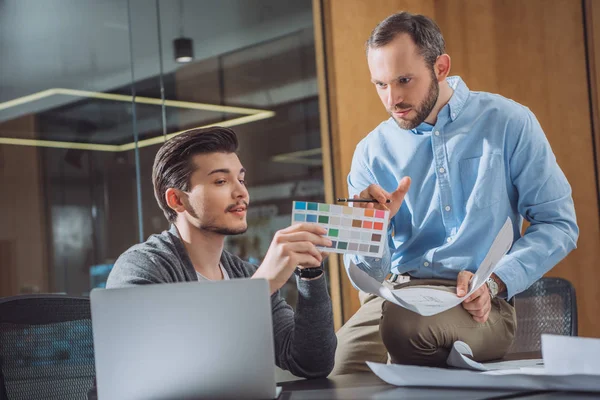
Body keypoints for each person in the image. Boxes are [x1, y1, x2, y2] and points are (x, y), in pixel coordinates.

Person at [331, 11, 578, 374]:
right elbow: (359, 271)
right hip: (395, 296)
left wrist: (495, 281)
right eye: (380, 84)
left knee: (405, 332)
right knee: (332, 370)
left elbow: (559, 224)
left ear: (441, 67)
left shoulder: (509, 122)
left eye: (403, 80)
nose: (392, 98)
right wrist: (371, 228)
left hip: (478, 301)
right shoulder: (370, 151)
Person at [107, 126, 336, 378]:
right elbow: (161, 371)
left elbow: (311, 363)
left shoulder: (242, 273)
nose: (241, 192)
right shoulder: (142, 267)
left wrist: (310, 273)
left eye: (241, 179)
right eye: (220, 181)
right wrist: (261, 285)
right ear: (177, 200)